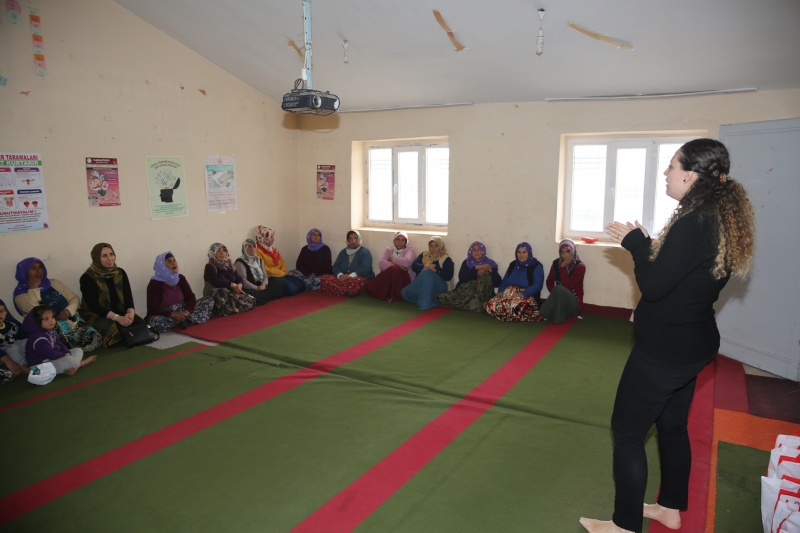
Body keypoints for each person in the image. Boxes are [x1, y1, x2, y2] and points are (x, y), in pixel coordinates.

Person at [579, 139, 755, 533]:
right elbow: (686, 272)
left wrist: (636, 245)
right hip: (691, 344)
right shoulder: (712, 216)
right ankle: (670, 508)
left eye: (671, 166)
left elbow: (655, 285)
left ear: (690, 174)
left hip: (665, 351)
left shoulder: (696, 221)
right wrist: (653, 245)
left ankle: (624, 526)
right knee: (672, 426)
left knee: (626, 433)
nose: (665, 172)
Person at [14, 257, 102, 351]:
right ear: (24, 272)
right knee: (60, 348)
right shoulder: (20, 295)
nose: (38, 270)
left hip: (71, 322)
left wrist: (68, 310)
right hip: (48, 329)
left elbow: (74, 298)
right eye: (32, 268)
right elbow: (36, 311)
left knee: (96, 338)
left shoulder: (53, 283)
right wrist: (34, 288)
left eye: (40, 267)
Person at [78, 243, 136, 347]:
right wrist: (118, 318)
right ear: (96, 258)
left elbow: (128, 298)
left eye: (111, 254)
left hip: (118, 310)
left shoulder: (120, 273)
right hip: (96, 314)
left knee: (139, 325)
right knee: (116, 332)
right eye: (104, 256)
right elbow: (94, 307)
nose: (110, 258)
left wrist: (130, 314)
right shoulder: (87, 278)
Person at [146, 252, 214, 333]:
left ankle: (187, 320)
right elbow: (152, 308)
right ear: (162, 266)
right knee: (154, 321)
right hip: (168, 314)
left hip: (183, 310)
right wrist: (173, 315)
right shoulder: (154, 284)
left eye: (174, 260)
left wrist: (187, 311)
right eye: (169, 261)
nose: (174, 263)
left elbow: (190, 297)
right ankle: (183, 321)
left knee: (208, 300)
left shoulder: (180, 278)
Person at [25, 305, 97, 378]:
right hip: (41, 365)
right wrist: (64, 356)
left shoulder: (51, 331)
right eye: (46, 319)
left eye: (53, 317)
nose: (51, 321)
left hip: (53, 359)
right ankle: (82, 363)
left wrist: (66, 352)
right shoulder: (38, 338)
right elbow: (51, 354)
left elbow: (59, 344)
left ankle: (69, 368)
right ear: (37, 322)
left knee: (78, 350)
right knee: (68, 360)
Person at [484, 242, 545, 322]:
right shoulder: (513, 264)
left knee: (516, 306)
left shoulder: (536, 266)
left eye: (524, 252)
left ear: (529, 253)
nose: (521, 255)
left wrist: (522, 294)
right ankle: (508, 313)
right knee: (490, 304)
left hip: (527, 296)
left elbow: (538, 286)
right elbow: (505, 281)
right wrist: (500, 291)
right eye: (518, 252)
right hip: (509, 294)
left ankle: (506, 313)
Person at [436, 241, 501, 312]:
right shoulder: (467, 262)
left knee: (485, 275)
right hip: (466, 294)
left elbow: (497, 283)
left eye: (479, 249)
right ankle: (471, 305)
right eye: (474, 249)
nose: (476, 251)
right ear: (471, 252)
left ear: (483, 251)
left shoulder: (490, 264)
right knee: (440, 297)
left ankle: (475, 304)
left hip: (481, 296)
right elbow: (462, 277)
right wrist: (476, 268)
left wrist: (488, 271)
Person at [401, 236, 454, 310]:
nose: (433, 248)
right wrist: (424, 266)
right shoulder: (424, 255)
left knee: (426, 272)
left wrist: (436, 269)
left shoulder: (445, 258)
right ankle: (428, 299)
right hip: (423, 285)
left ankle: (425, 303)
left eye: (436, 246)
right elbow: (414, 266)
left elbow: (448, 276)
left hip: (440, 286)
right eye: (431, 246)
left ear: (440, 247)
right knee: (404, 293)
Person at [203, 243, 256, 316]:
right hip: (217, 295)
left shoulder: (229, 264)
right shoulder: (210, 266)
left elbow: (239, 277)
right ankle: (226, 307)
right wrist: (230, 284)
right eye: (219, 251)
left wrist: (239, 285)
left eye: (224, 251)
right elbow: (215, 282)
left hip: (232, 291)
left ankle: (230, 308)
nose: (222, 253)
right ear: (213, 253)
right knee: (223, 291)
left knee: (251, 300)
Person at [541, 239, 586, 324]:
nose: (565, 255)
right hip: (558, 298)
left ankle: (559, 318)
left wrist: (563, 267)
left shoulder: (580, 267)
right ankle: (559, 311)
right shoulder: (555, 263)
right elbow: (549, 281)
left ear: (573, 251)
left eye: (568, 252)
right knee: (544, 312)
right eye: (562, 252)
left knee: (559, 288)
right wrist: (555, 294)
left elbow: (567, 285)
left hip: (573, 302)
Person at [319, 230, 375, 297]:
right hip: (343, 278)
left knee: (358, 282)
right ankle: (347, 291)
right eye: (350, 239)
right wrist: (340, 275)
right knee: (324, 278)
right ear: (347, 240)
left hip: (358, 277)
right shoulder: (343, 252)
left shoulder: (365, 252)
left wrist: (350, 276)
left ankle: (337, 290)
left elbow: (366, 269)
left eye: (355, 238)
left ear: (359, 239)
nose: (353, 241)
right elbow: (335, 266)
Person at [254, 226, 305, 296]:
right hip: (270, 276)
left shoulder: (272, 249)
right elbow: (265, 269)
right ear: (264, 238)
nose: (273, 239)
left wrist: (284, 270)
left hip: (281, 274)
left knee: (301, 284)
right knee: (293, 289)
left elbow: (281, 261)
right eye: (271, 237)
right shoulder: (258, 251)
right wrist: (282, 273)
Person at [366, 231, 416, 302]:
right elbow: (381, 263)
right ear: (394, 241)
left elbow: (407, 262)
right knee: (393, 269)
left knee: (394, 269)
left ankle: (391, 295)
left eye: (403, 240)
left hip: (404, 278)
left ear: (406, 242)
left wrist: (393, 259)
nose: (400, 242)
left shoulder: (409, 250)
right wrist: (398, 266)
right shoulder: (389, 250)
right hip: (389, 276)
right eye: (398, 239)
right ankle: (388, 294)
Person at [235, 240, 285, 305]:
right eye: (249, 246)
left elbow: (265, 275)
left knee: (279, 283)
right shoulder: (240, 262)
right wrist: (256, 288)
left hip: (261, 285)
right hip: (250, 288)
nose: (252, 248)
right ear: (244, 248)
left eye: (254, 246)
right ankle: (265, 297)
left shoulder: (258, 259)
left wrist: (263, 285)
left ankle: (262, 298)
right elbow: (243, 281)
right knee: (251, 294)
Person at [0, 299, 29, 384]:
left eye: (2, 311)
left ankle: (30, 363)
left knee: (27, 342)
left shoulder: (10, 325)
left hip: (12, 343)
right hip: (4, 349)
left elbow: (20, 331)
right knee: (13, 348)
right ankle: (22, 367)